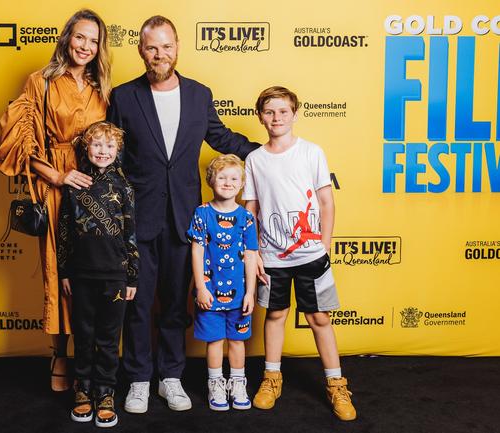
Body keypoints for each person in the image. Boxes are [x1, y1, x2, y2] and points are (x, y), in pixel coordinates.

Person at [106, 15, 259, 413]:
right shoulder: (123, 97)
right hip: (138, 218)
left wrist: (266, 152)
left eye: (166, 46)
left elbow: (221, 137)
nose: (160, 54)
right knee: (138, 304)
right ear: (141, 50)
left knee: (176, 301)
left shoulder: (198, 94)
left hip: (186, 219)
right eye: (151, 47)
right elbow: (112, 157)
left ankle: (170, 377)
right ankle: (138, 379)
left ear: (178, 47)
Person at [0, 9, 111, 392]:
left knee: (92, 272)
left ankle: (90, 361)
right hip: (57, 184)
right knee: (59, 271)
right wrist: (56, 175)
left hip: (95, 184)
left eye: (93, 41)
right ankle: (59, 355)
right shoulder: (40, 81)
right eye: (80, 38)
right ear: (66, 38)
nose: (86, 47)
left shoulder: (102, 86)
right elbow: (22, 137)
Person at [243, 86, 357, 421]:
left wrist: (326, 241)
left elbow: (326, 201)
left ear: (294, 113)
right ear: (260, 116)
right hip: (272, 256)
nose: (276, 118)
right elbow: (251, 209)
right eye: (269, 112)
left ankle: (336, 384)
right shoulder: (255, 159)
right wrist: (253, 251)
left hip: (309, 254)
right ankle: (271, 378)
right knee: (275, 315)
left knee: (319, 318)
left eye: (282, 111)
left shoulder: (311, 152)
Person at [57, 121, 138, 428]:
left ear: (117, 150)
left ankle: (105, 392)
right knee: (84, 334)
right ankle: (83, 388)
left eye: (109, 146)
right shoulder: (75, 184)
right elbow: (64, 230)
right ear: (86, 148)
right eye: (96, 145)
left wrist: (132, 277)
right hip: (81, 274)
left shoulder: (125, 187)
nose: (102, 151)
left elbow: (131, 233)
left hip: (115, 275)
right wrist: (64, 270)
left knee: (108, 337)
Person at [186, 155, 258, 411]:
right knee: (215, 340)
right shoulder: (202, 213)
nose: (228, 182)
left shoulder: (247, 218)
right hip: (210, 293)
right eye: (222, 177)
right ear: (211, 180)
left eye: (234, 178)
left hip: (239, 294)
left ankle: (238, 382)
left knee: (237, 341)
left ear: (241, 185)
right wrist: (201, 287)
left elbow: (250, 256)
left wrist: (250, 292)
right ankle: (215, 383)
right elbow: (197, 251)